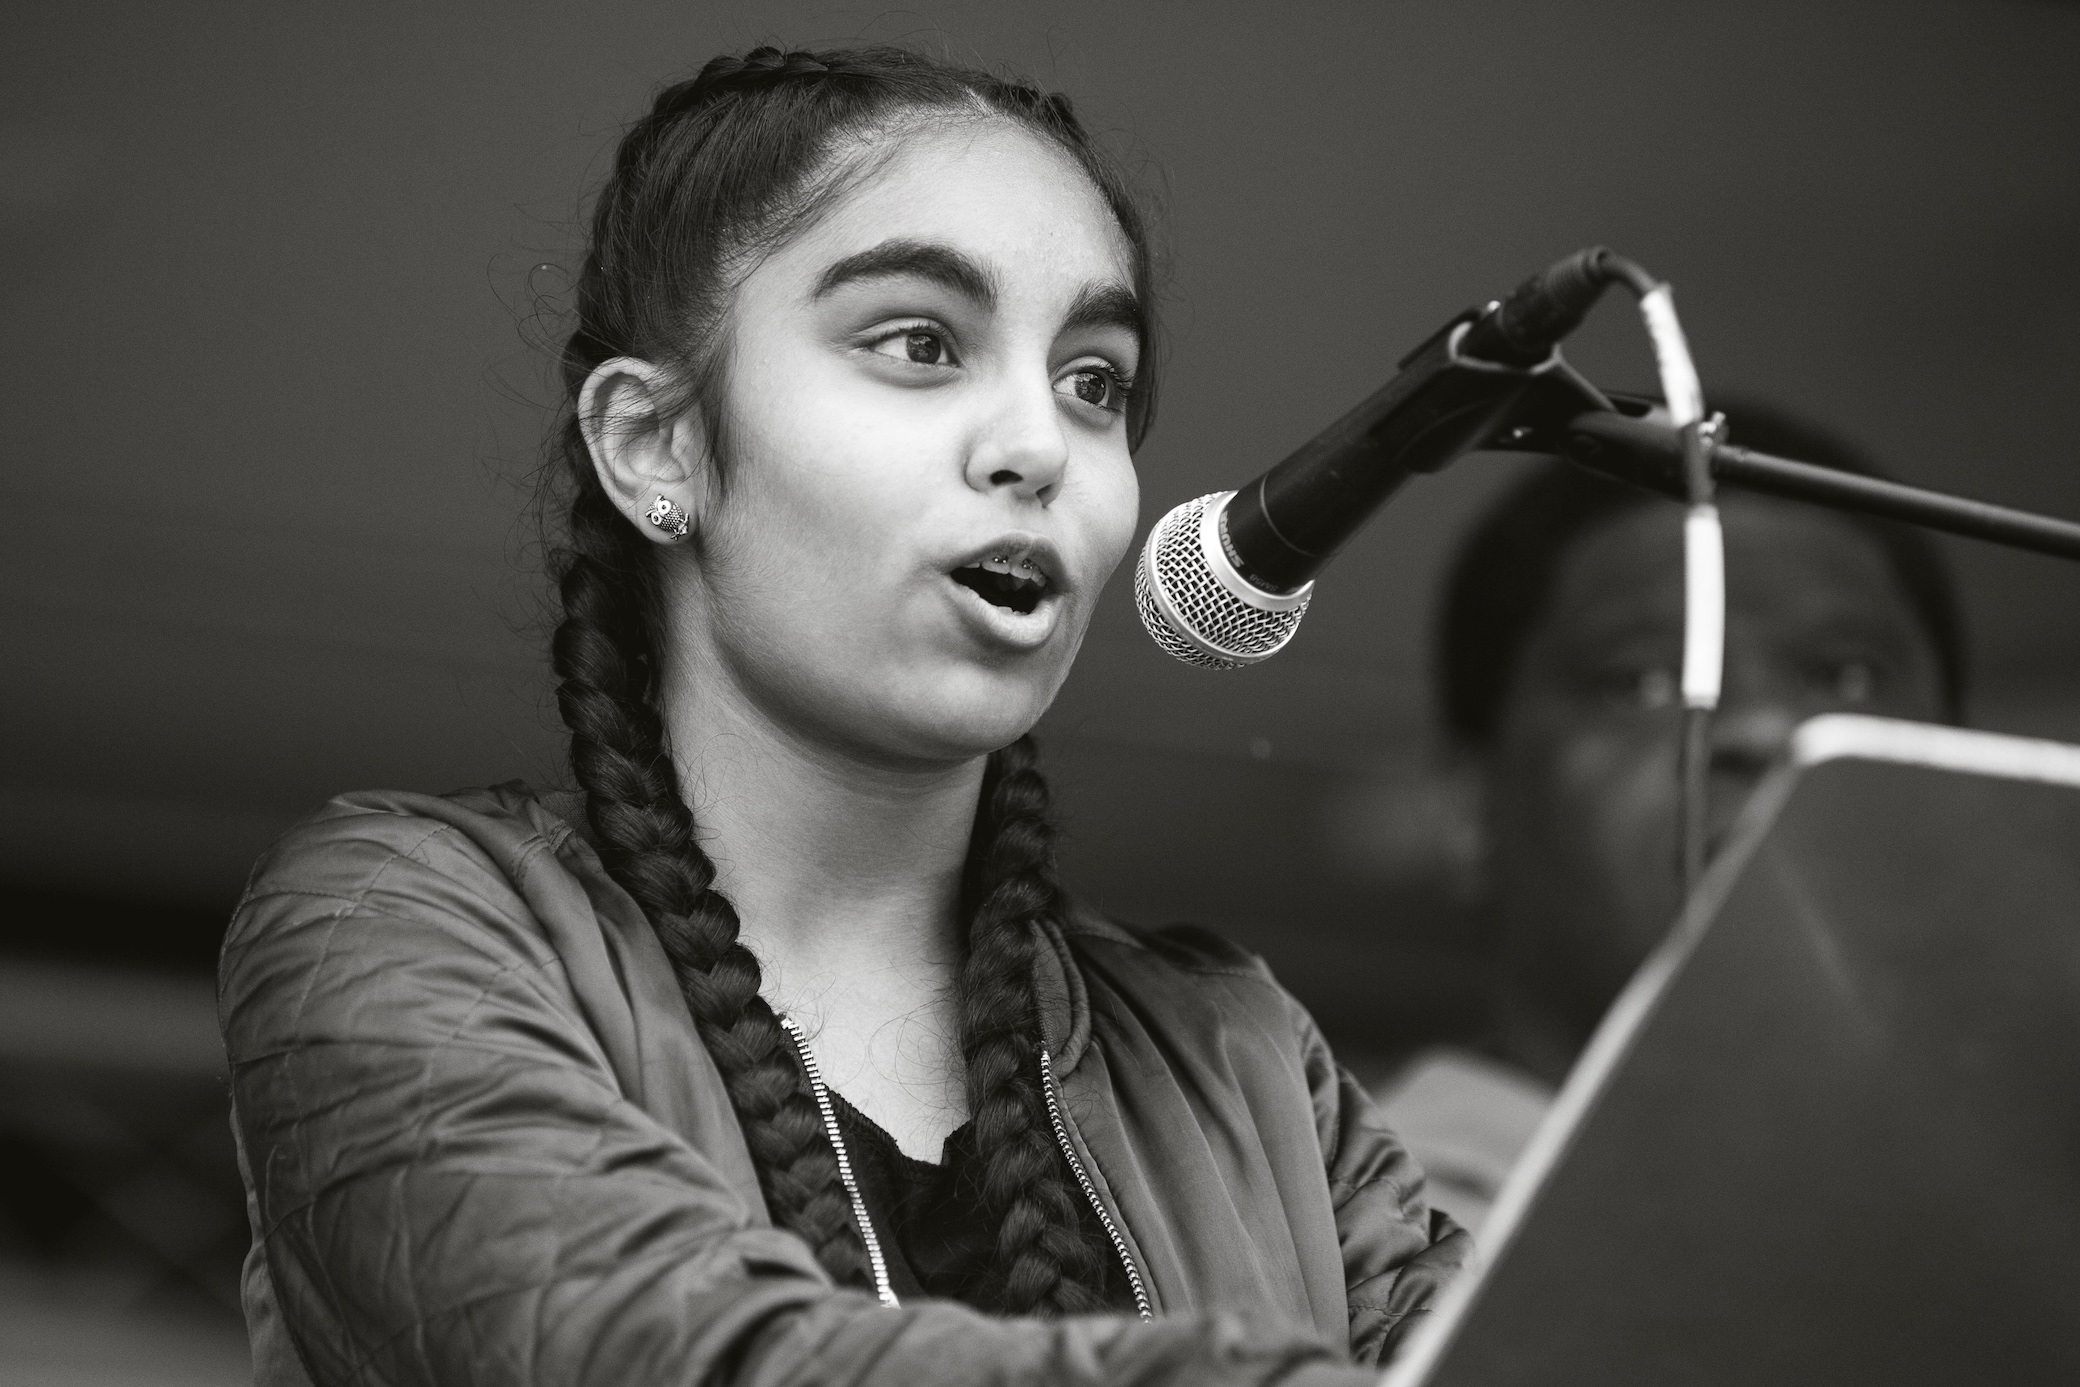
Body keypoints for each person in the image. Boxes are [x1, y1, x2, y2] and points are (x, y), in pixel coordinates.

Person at [218, 46, 1469, 1387]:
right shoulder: (393, 921)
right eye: (921, 343)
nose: (1039, 443)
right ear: (658, 445)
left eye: (1093, 380)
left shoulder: (1239, 1049)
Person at [1374, 400, 1966, 1234]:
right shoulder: (1311, 1260)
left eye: (1848, 676)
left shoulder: (2029, 1226)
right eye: (1643, 680)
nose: (1765, 729)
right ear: (1469, 807)